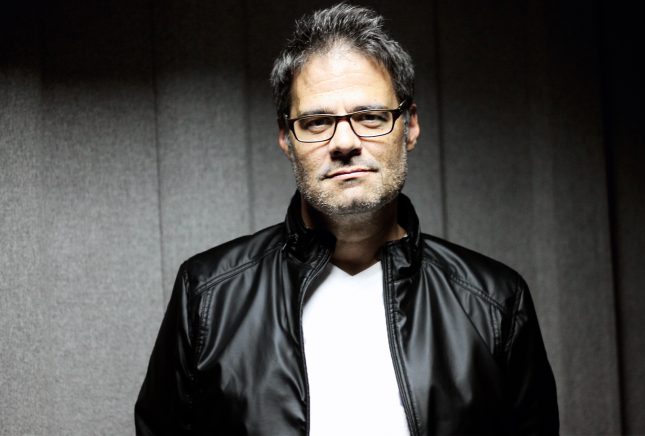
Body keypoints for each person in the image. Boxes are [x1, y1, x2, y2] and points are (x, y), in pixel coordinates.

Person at [134, 4, 559, 435]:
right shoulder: (207, 295)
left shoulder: (495, 302)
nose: (344, 142)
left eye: (370, 117)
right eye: (318, 122)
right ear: (286, 138)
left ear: (410, 126)